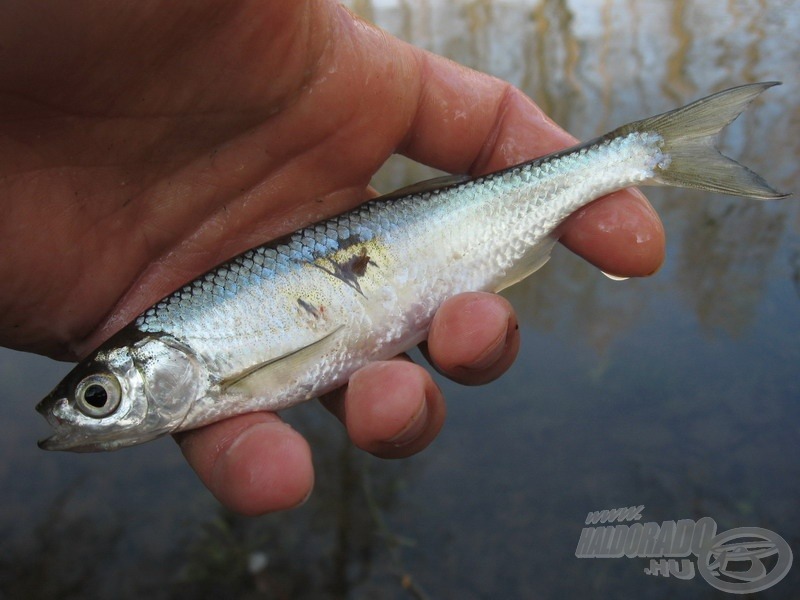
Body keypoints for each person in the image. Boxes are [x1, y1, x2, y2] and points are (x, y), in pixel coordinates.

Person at [0, 1, 664, 515]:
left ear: (156, 364)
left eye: (98, 396)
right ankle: (637, 153)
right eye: (99, 397)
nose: (96, 406)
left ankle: (640, 154)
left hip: (420, 231)